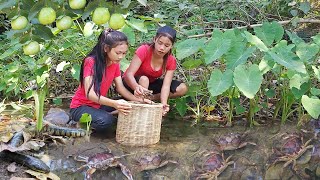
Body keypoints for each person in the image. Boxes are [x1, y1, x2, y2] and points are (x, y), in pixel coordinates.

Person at [70, 28, 149, 132]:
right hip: (80, 107)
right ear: (106, 48)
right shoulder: (90, 61)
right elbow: (90, 94)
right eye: (118, 53)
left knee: (130, 106)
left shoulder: (115, 63)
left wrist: (139, 101)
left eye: (124, 53)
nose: (121, 57)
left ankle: (108, 114)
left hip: (98, 105)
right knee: (107, 121)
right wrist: (114, 104)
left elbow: (120, 88)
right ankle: (80, 126)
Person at [122, 25, 188, 115]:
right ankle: (142, 104)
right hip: (131, 83)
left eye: (166, 45)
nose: (162, 48)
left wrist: (163, 103)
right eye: (160, 43)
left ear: (172, 46)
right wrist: (136, 87)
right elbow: (128, 74)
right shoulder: (144, 50)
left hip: (150, 86)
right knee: (144, 79)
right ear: (154, 39)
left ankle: (150, 99)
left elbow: (166, 86)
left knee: (182, 88)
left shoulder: (171, 60)